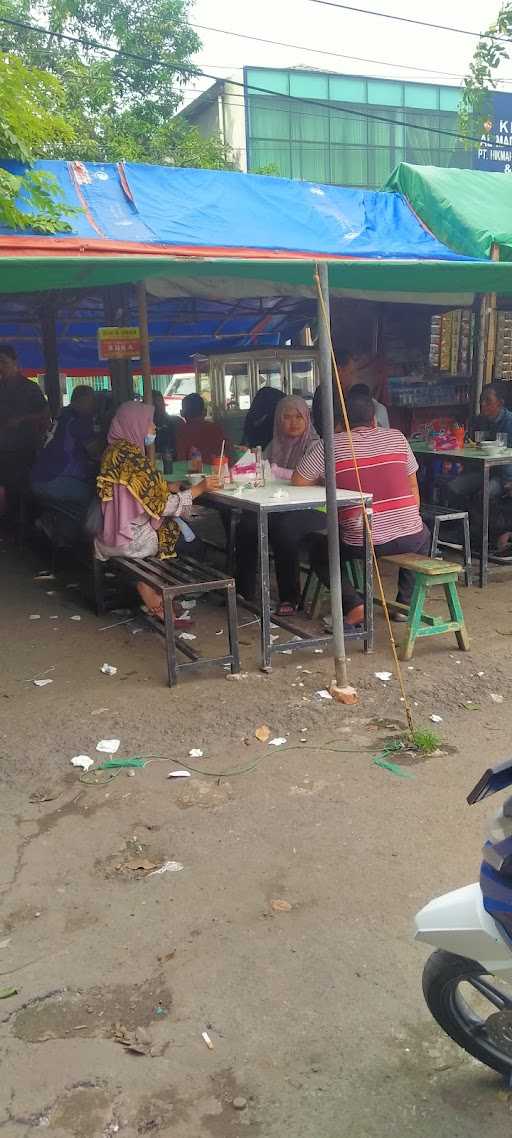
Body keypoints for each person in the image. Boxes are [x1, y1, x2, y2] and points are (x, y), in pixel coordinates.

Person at [293, 388, 431, 621]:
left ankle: (353, 603)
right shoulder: (397, 437)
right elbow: (413, 487)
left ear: (339, 422)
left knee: (318, 549)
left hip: (360, 540)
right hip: (410, 536)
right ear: (374, 419)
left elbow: (298, 481)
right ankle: (403, 604)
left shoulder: (329, 445)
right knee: (423, 535)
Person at [95, 402, 218, 619]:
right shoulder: (134, 460)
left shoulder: (114, 451)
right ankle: (157, 589)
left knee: (179, 528)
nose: (154, 427)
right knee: (191, 541)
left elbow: (132, 493)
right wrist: (200, 488)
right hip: (131, 539)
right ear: (135, 424)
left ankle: (150, 586)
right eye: (149, 422)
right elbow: (163, 506)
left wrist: (166, 486)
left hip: (109, 533)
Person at [236, 395, 324, 615]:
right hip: (279, 505)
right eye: (287, 417)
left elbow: (313, 479)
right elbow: (261, 471)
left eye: (299, 417)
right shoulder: (273, 445)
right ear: (277, 420)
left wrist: (276, 471)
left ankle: (290, 597)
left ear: (307, 419)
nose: (293, 422)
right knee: (247, 525)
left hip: (315, 508)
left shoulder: (316, 446)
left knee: (283, 530)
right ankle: (244, 590)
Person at [0, 344, 49, 514]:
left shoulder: (30, 388)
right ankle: (12, 527)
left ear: (15, 362)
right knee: (10, 490)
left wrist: (21, 419)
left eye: (3, 362)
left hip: (26, 449)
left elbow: (45, 415)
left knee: (28, 491)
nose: (1, 367)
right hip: (4, 450)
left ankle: (34, 526)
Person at [31, 385, 99, 507]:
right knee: (96, 496)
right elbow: (94, 451)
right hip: (55, 479)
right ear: (83, 401)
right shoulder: (78, 420)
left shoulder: (63, 415)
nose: (94, 407)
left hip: (38, 478)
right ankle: (82, 526)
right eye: (92, 402)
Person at [447, 382, 512, 507]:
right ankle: (460, 523)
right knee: (453, 487)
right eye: (481, 400)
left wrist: (509, 480)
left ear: (500, 403)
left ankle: (483, 525)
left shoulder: (509, 422)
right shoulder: (479, 420)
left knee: (486, 493)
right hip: (483, 472)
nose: (483, 404)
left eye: (488, 401)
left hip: (504, 476)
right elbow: (471, 445)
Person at [175, 392, 225, 466]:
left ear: (182, 413)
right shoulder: (216, 429)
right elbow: (229, 455)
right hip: (217, 472)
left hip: (191, 474)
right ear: (205, 412)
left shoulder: (182, 431)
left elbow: (181, 461)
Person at [152, 390, 178, 458]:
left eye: (159, 402)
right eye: (154, 404)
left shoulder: (173, 422)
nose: (157, 407)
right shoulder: (144, 424)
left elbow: (176, 448)